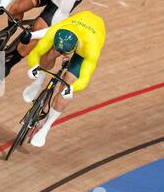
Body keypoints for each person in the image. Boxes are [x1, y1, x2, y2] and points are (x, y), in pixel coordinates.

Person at [23, 10, 105, 147]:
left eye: (65, 53)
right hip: (72, 26)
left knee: (67, 85)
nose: (63, 55)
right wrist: (34, 67)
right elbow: (36, 53)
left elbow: (84, 78)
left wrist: (71, 88)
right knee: (49, 54)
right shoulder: (57, 31)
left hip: (93, 35)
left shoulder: (91, 48)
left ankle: (46, 127)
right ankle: (38, 82)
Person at [0, 0, 87, 76]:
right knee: (16, 8)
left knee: (38, 29)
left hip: (61, 0)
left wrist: (32, 35)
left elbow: (53, 29)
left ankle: (10, 62)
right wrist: (1, 5)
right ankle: (9, 31)